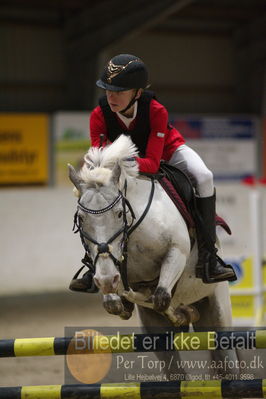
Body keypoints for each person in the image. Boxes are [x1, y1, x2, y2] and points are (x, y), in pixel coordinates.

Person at [70, 53, 235, 292]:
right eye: (107, 89)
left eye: (119, 90)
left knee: (204, 176)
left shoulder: (156, 110)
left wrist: (119, 160)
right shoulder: (99, 115)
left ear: (137, 92)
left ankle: (210, 258)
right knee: (92, 197)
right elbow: (101, 162)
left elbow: (153, 164)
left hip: (167, 151)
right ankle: (91, 264)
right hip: (126, 162)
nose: (111, 96)